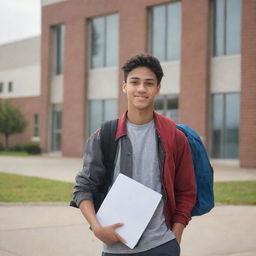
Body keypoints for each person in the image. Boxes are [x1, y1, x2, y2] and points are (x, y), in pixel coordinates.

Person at [71, 54, 196, 256]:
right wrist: (97, 228)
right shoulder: (104, 135)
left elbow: (187, 191)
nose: (141, 89)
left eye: (149, 83)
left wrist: (176, 236)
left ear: (158, 89)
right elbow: (83, 187)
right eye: (134, 82)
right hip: (115, 248)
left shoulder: (174, 137)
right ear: (124, 87)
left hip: (162, 245)